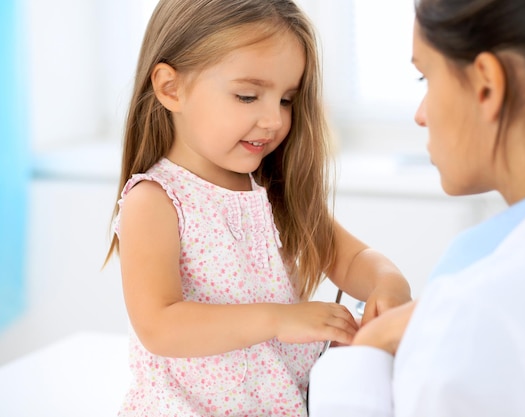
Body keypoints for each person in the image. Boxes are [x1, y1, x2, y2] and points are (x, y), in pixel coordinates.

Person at [308, 0, 525, 416]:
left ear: (487, 86)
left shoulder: (479, 314)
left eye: (425, 77)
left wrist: (364, 351)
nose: (421, 115)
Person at [104, 0, 412, 415]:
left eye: (286, 100)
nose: (274, 120)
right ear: (170, 88)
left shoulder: (271, 192)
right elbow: (160, 326)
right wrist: (279, 319)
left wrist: (387, 286)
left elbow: (354, 256)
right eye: (248, 96)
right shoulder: (155, 200)